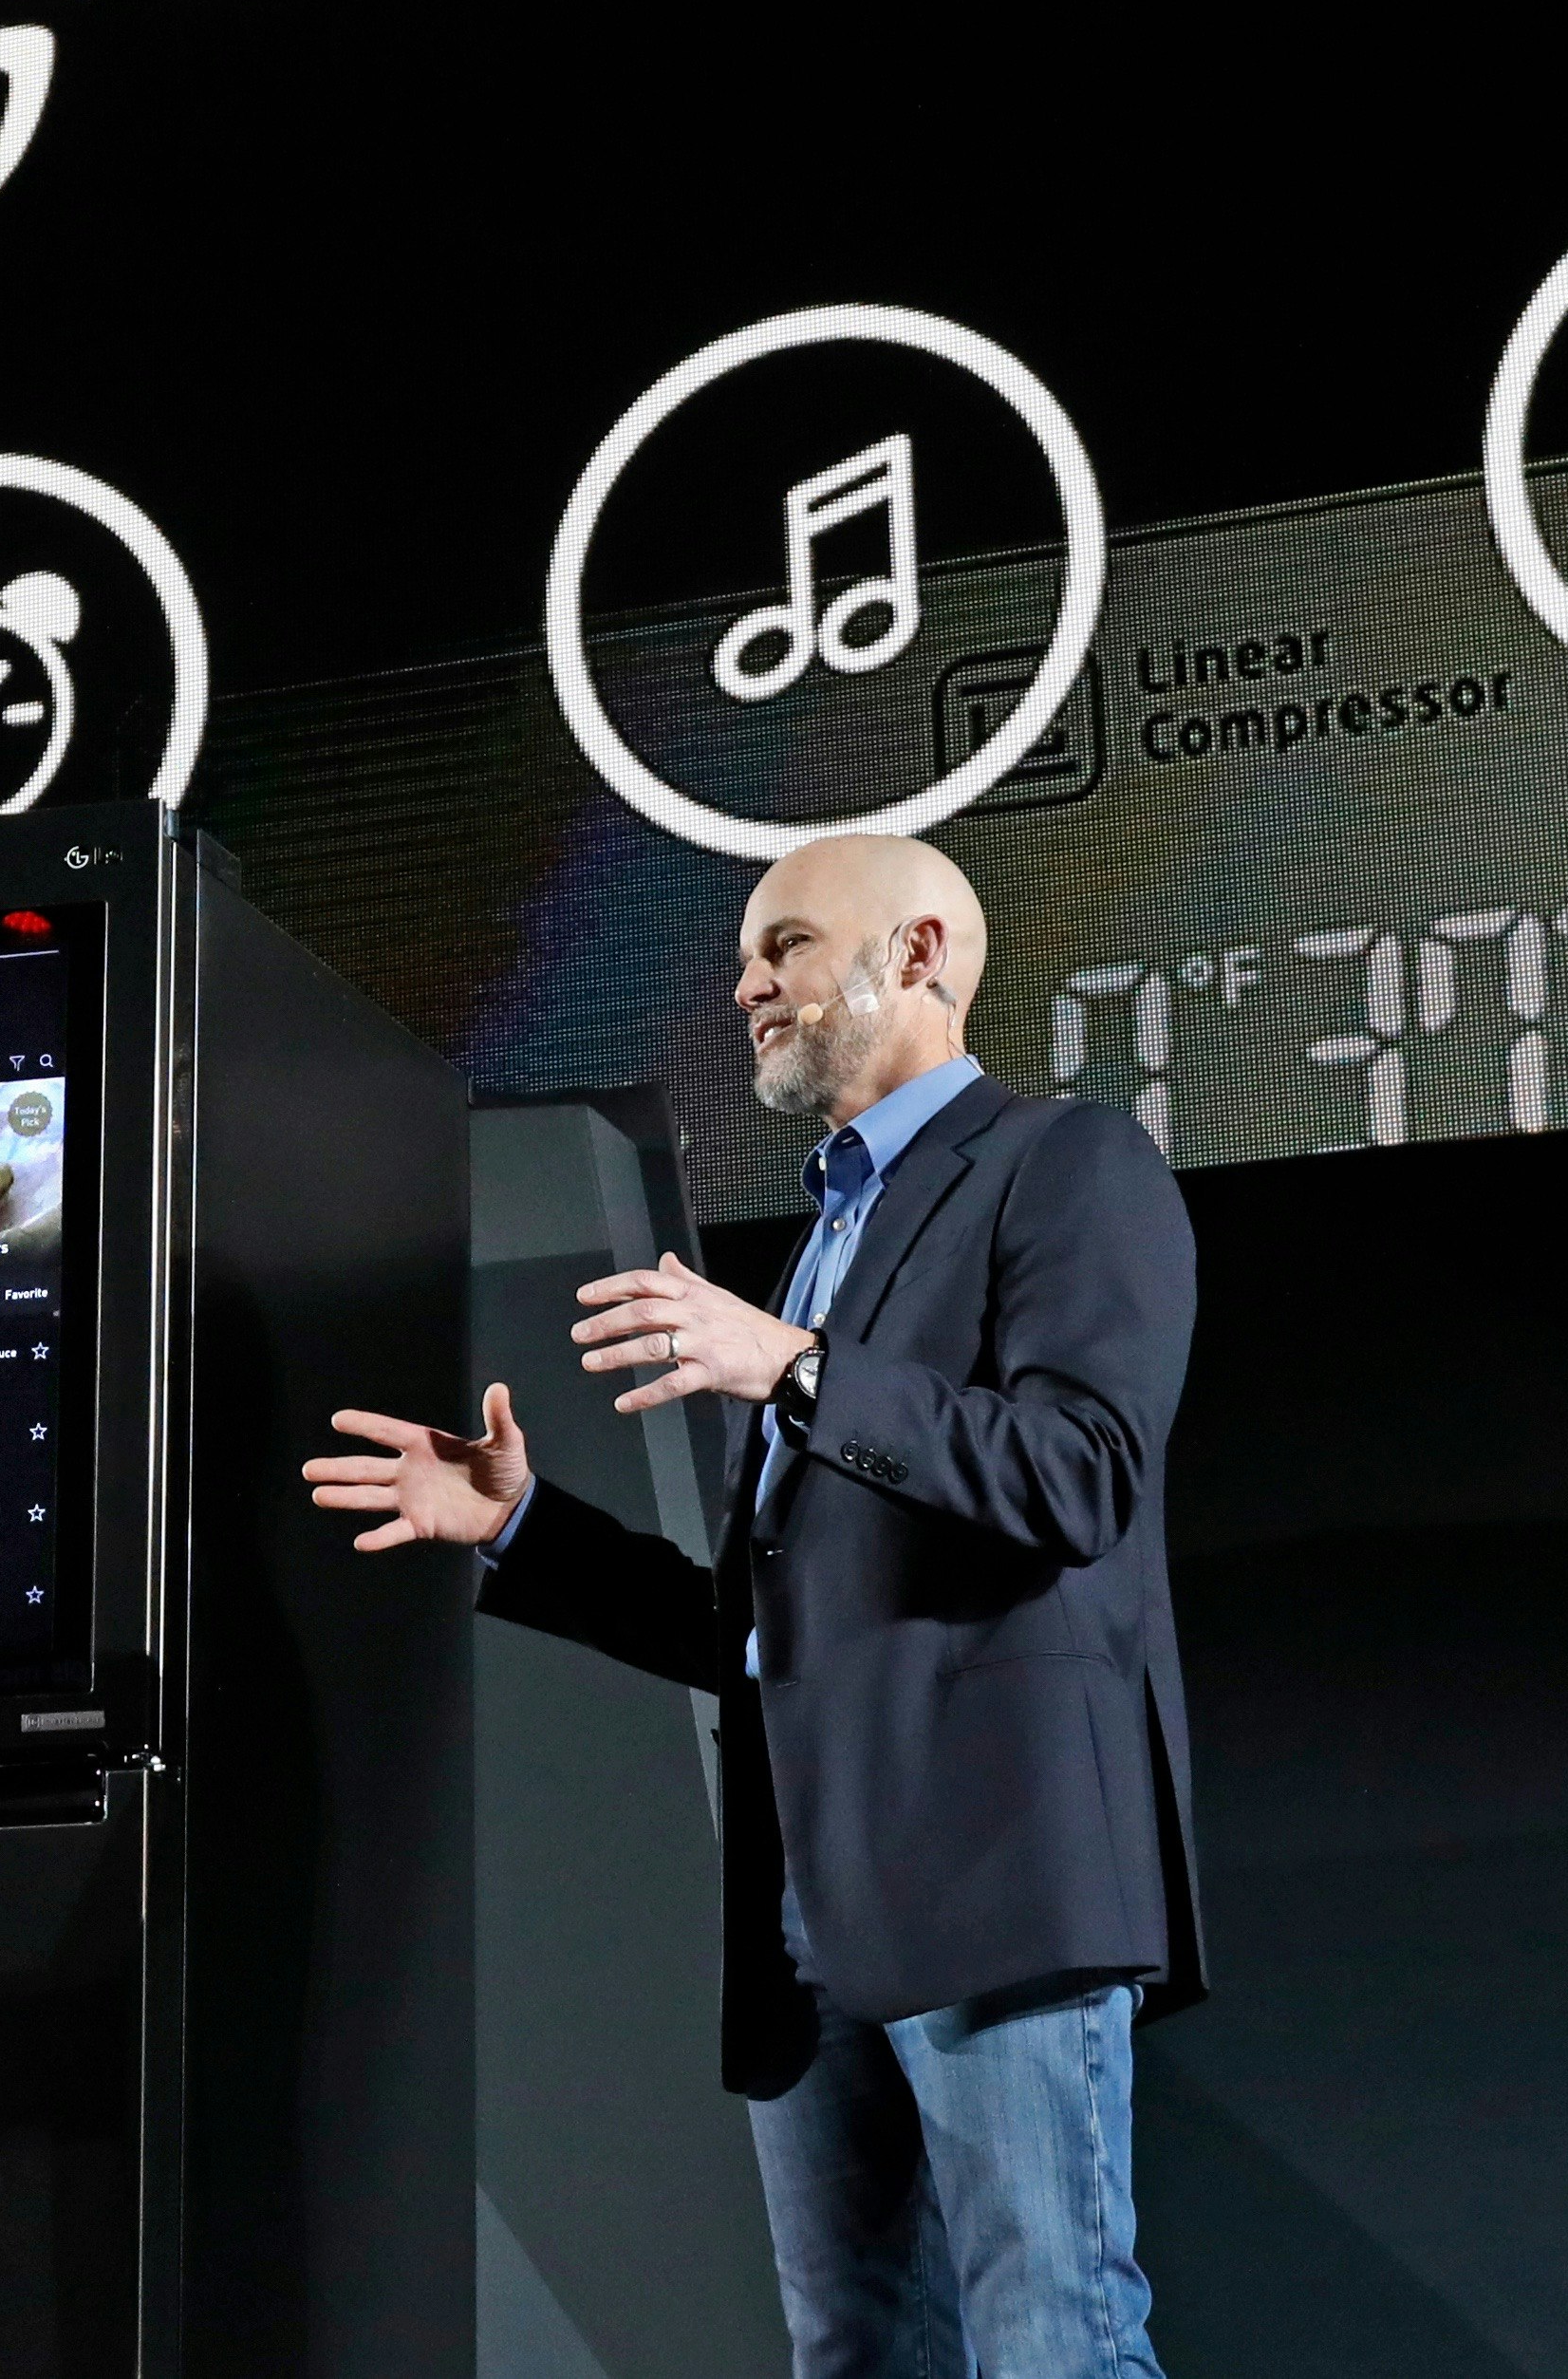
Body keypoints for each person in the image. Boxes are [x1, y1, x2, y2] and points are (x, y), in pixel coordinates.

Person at [307, 831, 1203, 2377]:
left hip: (994, 1869)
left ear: (916, 954)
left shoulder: (1064, 1162)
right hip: (807, 1911)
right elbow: (763, 1626)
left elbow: (1080, 1472)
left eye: (784, 945)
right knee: (850, 2352)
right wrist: (524, 1526)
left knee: (1051, 2339)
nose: (745, 986)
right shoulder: (824, 1243)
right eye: (747, 957)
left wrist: (792, 1368)